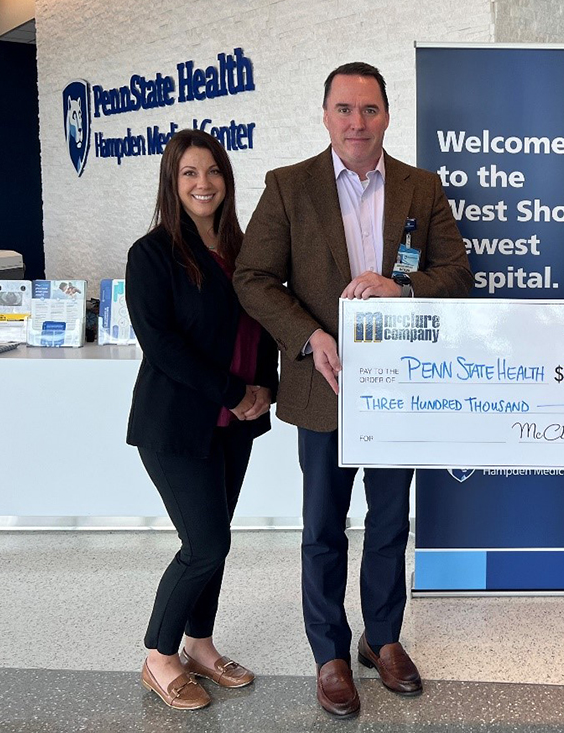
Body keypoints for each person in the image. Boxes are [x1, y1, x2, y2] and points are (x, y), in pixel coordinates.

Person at [234, 62, 472, 717]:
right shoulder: (289, 187)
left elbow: (457, 273)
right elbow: (253, 277)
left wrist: (403, 287)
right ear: (325, 115)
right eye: (344, 109)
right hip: (324, 386)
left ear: (387, 116)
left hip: (401, 389)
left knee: (391, 521)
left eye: (369, 110)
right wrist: (311, 336)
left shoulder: (421, 189)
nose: (356, 122)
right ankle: (330, 653)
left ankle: (383, 640)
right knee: (323, 528)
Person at [126, 129, 277, 710]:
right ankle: (159, 656)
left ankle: (200, 645)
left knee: (217, 540)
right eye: (189, 173)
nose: (203, 183)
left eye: (212, 171)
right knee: (205, 543)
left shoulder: (245, 249)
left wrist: (263, 388)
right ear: (172, 181)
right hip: (176, 425)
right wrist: (234, 390)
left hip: (234, 423)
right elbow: (161, 344)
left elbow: (260, 321)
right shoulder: (153, 253)